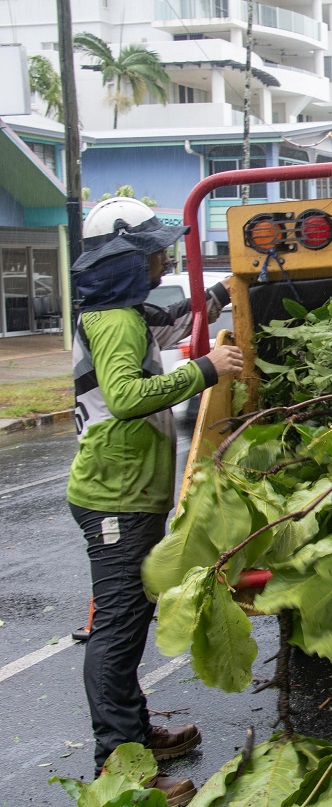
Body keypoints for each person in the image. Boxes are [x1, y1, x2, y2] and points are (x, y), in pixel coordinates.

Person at [67, 197, 243, 802]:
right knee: (116, 629)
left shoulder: (122, 313)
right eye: (151, 249)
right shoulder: (112, 321)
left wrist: (230, 286)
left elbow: (174, 320)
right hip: (111, 498)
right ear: (123, 256)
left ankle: (137, 735)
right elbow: (124, 394)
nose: (162, 257)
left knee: (130, 620)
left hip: (130, 495)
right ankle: (121, 767)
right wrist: (207, 370)